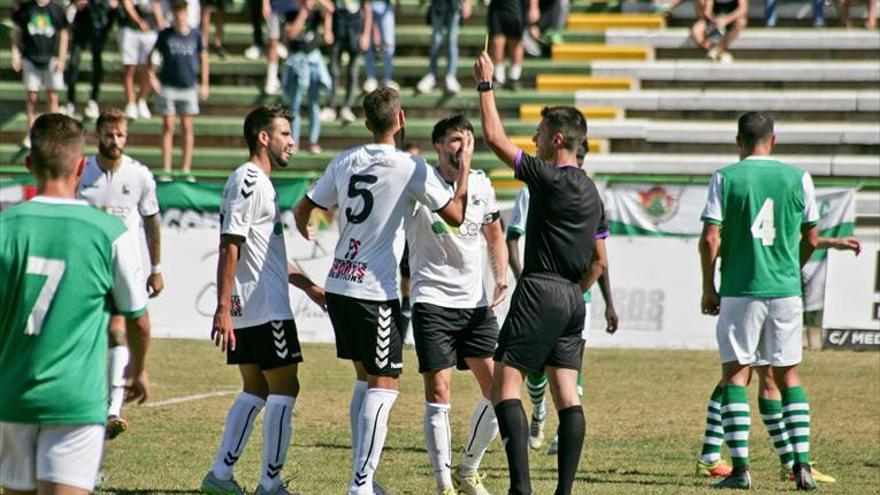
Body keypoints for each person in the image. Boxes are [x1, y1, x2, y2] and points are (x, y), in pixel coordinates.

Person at [293, 87, 472, 495]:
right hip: (374, 290)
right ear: (401, 118)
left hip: (339, 283)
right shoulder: (411, 167)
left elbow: (304, 207)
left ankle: (365, 480)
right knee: (385, 384)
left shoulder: (345, 160)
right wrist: (466, 165)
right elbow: (457, 215)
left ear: (366, 123)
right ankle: (360, 484)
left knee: (366, 379)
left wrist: (305, 223)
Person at [474, 50, 604, 495]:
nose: (534, 138)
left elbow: (493, 137)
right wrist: (574, 293)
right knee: (568, 395)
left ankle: (520, 489)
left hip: (541, 290)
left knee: (504, 388)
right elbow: (599, 260)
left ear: (559, 139)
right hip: (572, 299)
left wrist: (486, 84)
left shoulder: (548, 179)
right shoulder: (593, 193)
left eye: (541, 133)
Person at [0, 113, 150, 495]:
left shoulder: (5, 227)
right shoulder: (109, 233)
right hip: (75, 401)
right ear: (81, 165)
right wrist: (139, 370)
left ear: (29, 164)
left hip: (12, 395)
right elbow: (138, 319)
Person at [202, 105, 325, 495]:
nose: (292, 142)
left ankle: (220, 476)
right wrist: (222, 307)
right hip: (264, 306)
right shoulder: (251, 181)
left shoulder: (256, 183)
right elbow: (230, 245)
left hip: (250, 305)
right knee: (287, 388)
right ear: (263, 138)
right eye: (285, 134)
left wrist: (309, 288)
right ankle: (270, 483)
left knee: (256, 388)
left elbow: (263, 253)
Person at [698, 111, 820, 490]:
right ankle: (801, 465)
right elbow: (812, 238)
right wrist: (789, 266)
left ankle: (741, 470)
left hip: (741, 287)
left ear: (738, 142)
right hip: (785, 290)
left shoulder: (725, 177)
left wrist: (708, 285)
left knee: (736, 375)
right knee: (788, 375)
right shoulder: (799, 177)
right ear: (775, 139)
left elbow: (709, 238)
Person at [695, 236, 860, 483]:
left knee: (750, 375)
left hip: (751, 289)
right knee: (747, 375)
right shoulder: (746, 199)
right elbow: (793, 237)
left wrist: (831, 242)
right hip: (758, 289)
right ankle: (790, 463)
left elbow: (779, 235)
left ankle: (715, 456)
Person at [408, 115, 507, 495]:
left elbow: (494, 233)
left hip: (475, 305)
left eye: (467, 139)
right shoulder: (422, 182)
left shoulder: (483, 182)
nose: (462, 147)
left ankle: (468, 469)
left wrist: (500, 276)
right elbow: (452, 208)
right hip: (433, 302)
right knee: (439, 394)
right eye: (453, 140)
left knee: (500, 390)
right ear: (437, 146)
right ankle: (443, 484)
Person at [508, 140, 619, 456]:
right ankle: (539, 409)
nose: (578, 164)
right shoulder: (534, 188)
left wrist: (607, 301)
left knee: (573, 363)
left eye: (583, 159)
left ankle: (561, 432)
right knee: (534, 369)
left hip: (575, 294)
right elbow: (512, 237)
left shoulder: (589, 194)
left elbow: (599, 259)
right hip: (540, 291)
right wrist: (523, 281)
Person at [76, 107, 164, 440]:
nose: (115, 141)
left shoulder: (139, 174)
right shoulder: (80, 171)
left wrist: (156, 269)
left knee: (117, 330)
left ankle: (112, 410)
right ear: (97, 135)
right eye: (109, 134)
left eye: (120, 135)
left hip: (123, 267)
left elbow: (152, 220)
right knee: (87, 335)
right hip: (84, 265)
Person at [148, 0, 210, 182]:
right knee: (168, 126)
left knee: (187, 127)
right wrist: (152, 77)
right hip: (168, 85)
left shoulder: (195, 35)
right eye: (176, 12)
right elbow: (150, 57)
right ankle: (166, 169)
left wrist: (204, 83)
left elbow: (204, 58)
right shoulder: (165, 34)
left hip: (188, 86)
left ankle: (185, 169)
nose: (179, 15)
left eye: (182, 11)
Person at [11, 0, 69, 149]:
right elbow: (17, 32)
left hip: (51, 58)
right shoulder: (26, 9)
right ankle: (32, 133)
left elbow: (63, 34)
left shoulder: (56, 9)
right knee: (32, 96)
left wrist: (61, 59)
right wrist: (16, 54)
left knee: (52, 96)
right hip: (30, 57)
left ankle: (53, 134)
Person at [282, 0, 334, 153]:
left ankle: (313, 141)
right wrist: (303, 13)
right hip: (297, 63)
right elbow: (291, 34)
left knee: (314, 104)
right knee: (295, 105)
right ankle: (294, 141)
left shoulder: (316, 12)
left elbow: (330, 9)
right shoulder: (290, 10)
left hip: (313, 62)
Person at [64, 0, 115, 119]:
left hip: (98, 23)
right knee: (73, 63)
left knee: (97, 63)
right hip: (81, 23)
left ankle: (93, 100)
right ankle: (70, 101)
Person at [323, 0, 371, 124]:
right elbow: (329, 7)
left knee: (352, 72)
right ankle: (330, 106)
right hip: (338, 26)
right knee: (333, 71)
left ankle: (347, 107)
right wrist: (327, 29)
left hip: (355, 28)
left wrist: (366, 34)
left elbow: (367, 8)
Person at [119, 0, 164, 119]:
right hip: (130, 29)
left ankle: (142, 101)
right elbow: (127, 4)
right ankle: (130, 103)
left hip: (150, 31)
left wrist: (162, 27)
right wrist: (138, 21)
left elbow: (157, 5)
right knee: (130, 68)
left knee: (148, 68)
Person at [415, 0, 472, 94]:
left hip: (455, 5)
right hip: (437, 4)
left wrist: (468, 3)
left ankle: (451, 76)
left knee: (452, 41)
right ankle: (431, 75)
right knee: (435, 41)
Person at [486, 0, 537, 88]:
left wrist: (533, 7)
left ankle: (514, 77)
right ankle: (499, 77)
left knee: (516, 41)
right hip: (496, 6)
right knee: (496, 40)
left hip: (516, 5)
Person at [362, 0, 397, 92]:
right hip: (366, 5)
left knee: (389, 45)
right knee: (367, 43)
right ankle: (371, 78)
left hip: (386, 5)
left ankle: (388, 79)